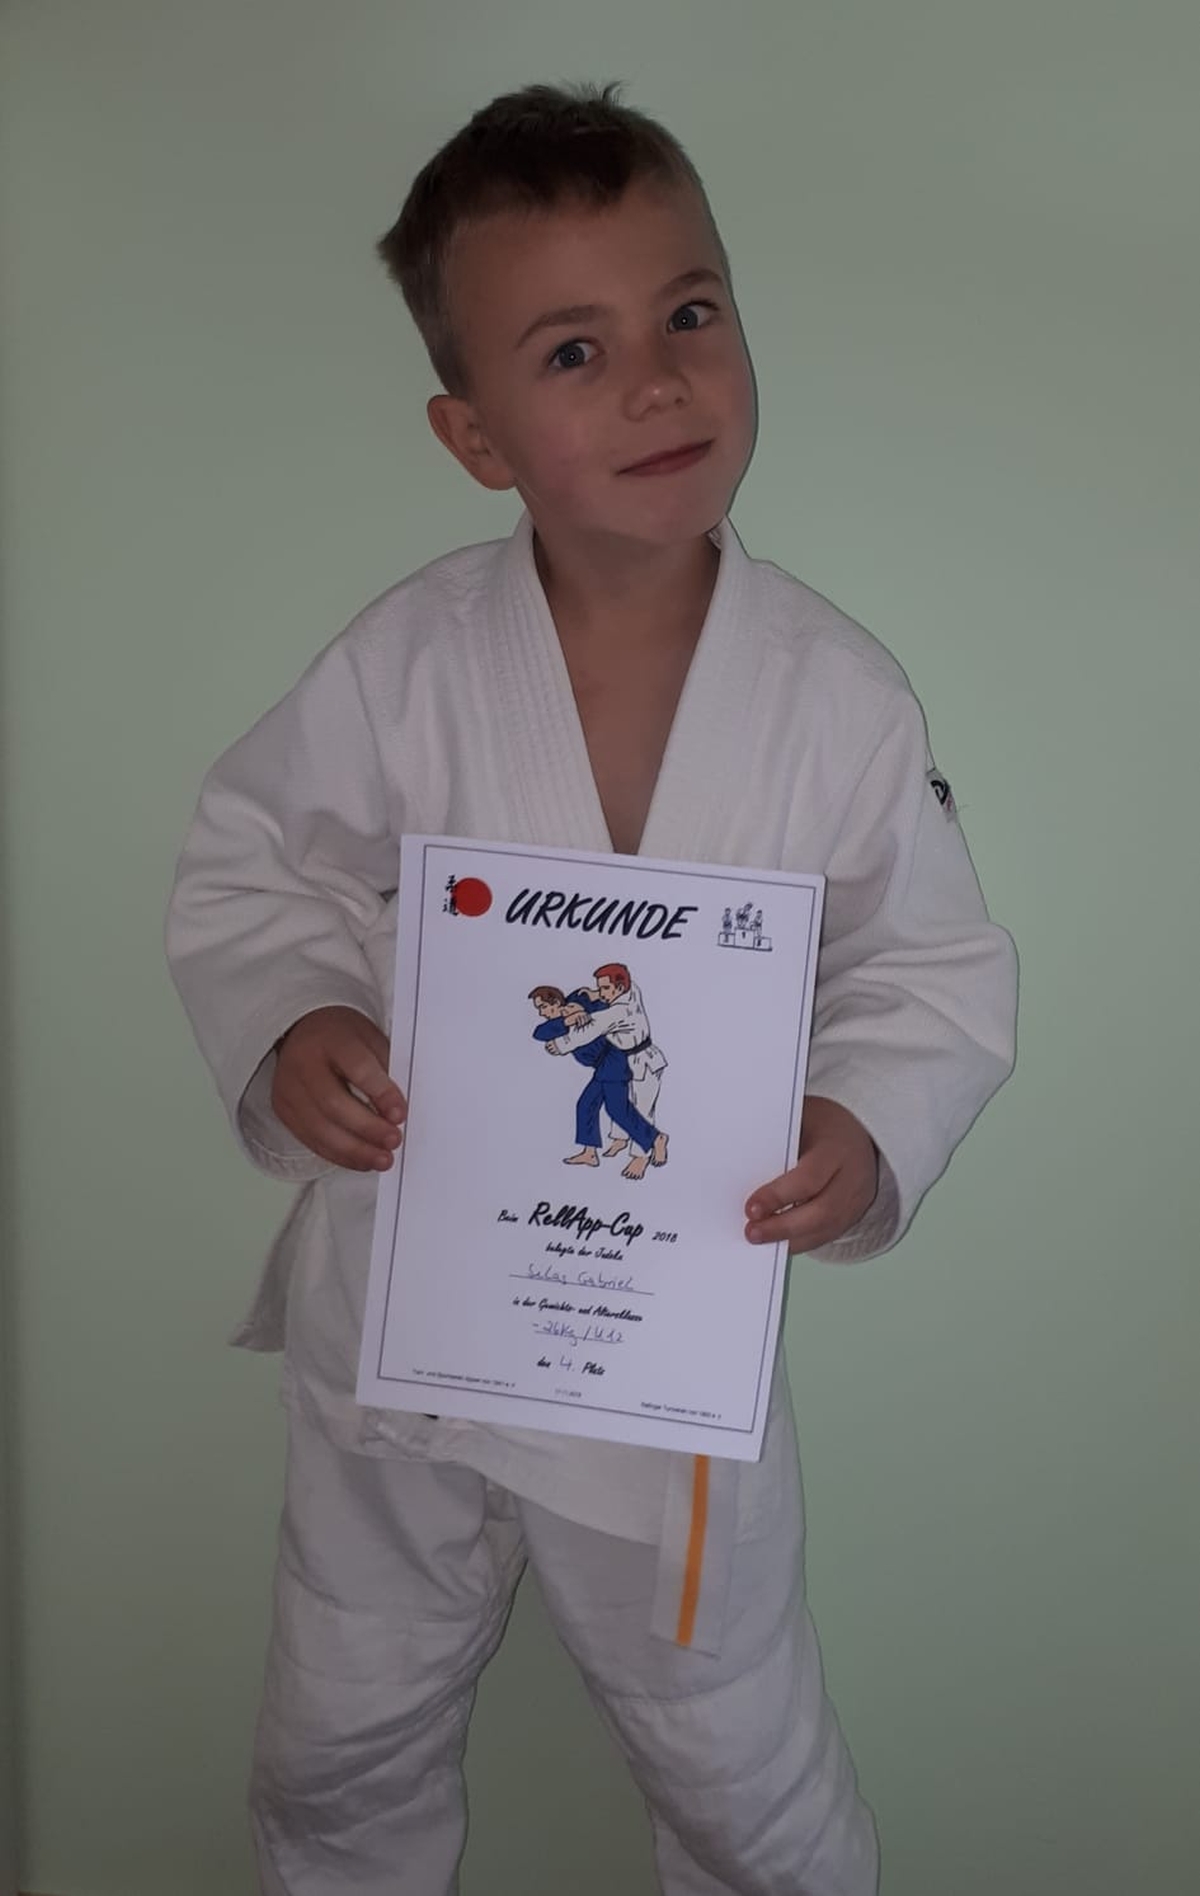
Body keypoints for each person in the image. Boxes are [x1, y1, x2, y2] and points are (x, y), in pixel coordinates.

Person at [166, 81, 1017, 1896]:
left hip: (669, 1344)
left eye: (689, 313)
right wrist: (298, 1021)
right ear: (472, 435)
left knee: (736, 1755)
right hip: (406, 1306)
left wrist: (862, 1126)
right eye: (576, 349)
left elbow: (929, 966)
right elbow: (255, 863)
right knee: (341, 1720)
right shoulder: (405, 664)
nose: (656, 381)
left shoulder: (836, 698)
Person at [550, 961, 669, 1177]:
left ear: (620, 988)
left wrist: (559, 1045)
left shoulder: (618, 1012)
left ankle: (645, 1152)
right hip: (619, 1060)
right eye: (600, 987)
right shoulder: (631, 992)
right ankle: (598, 1149)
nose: (602, 993)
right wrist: (596, 994)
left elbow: (589, 1029)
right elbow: (630, 987)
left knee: (639, 1108)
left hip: (645, 1063)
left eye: (605, 988)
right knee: (595, 1104)